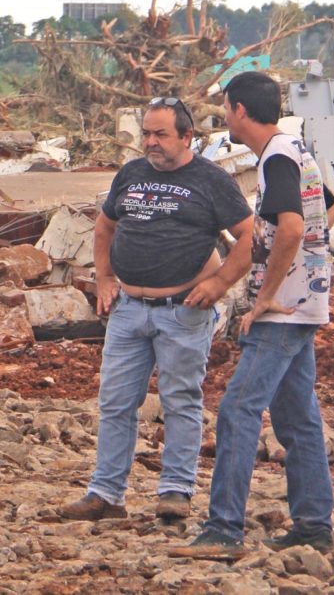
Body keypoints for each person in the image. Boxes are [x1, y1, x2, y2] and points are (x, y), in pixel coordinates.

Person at [58, 96, 253, 522]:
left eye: (160, 134)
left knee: (180, 400)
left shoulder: (211, 180)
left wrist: (219, 284)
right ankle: (106, 495)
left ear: (187, 136)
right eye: (146, 133)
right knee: (115, 401)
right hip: (128, 309)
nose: (150, 142)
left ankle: (176, 492)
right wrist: (105, 278)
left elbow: (250, 237)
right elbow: (106, 224)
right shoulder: (131, 173)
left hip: (182, 311)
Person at [172, 71, 334, 559]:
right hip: (302, 304)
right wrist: (312, 265)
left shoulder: (278, 158)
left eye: (226, 107)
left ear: (240, 110)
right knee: (297, 415)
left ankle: (223, 529)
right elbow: (323, 207)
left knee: (238, 408)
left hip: (284, 310)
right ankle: (314, 524)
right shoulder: (293, 150)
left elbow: (288, 228)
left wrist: (268, 293)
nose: (225, 116)